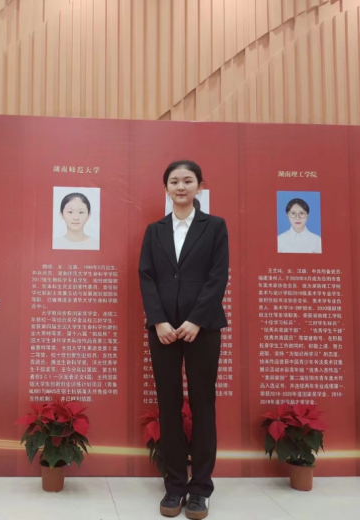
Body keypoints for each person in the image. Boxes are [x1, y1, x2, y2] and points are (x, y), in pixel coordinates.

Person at [139, 160, 229, 519]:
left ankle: (201, 488)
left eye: (187, 180)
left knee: (203, 404)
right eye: (174, 181)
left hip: (203, 328)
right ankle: (174, 485)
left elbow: (218, 276)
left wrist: (196, 320)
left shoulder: (215, 226)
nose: (181, 186)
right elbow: (146, 277)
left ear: (199, 186)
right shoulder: (154, 230)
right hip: (162, 331)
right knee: (169, 404)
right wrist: (159, 321)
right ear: (166, 188)